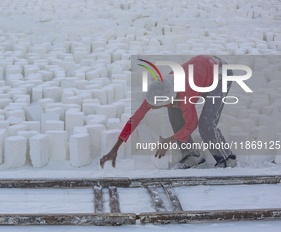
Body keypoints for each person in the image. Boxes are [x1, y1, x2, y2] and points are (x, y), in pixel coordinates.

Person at [100, 55, 238, 170]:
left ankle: (227, 159)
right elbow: (134, 119)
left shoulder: (185, 97)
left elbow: (192, 125)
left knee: (206, 124)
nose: (150, 106)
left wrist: (169, 140)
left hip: (219, 72)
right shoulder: (158, 90)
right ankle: (192, 155)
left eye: (154, 105)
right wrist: (115, 149)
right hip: (201, 69)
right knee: (173, 109)